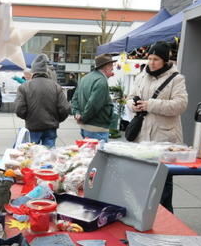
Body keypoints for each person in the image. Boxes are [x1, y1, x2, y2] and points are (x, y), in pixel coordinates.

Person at [126, 40, 188, 212]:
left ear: (165, 61)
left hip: (164, 138)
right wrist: (133, 104)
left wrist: (150, 105)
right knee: (141, 179)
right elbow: (130, 97)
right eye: (150, 58)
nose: (151, 63)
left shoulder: (177, 79)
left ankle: (166, 218)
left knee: (163, 183)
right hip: (142, 137)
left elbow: (180, 105)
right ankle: (143, 214)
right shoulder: (140, 76)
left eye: (156, 59)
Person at [14, 53, 70, 147]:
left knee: (31, 156)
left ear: (33, 71)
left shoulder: (24, 87)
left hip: (33, 127)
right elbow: (65, 108)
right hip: (50, 127)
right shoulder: (56, 86)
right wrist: (56, 120)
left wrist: (29, 118)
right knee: (49, 156)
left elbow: (19, 109)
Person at [72, 54, 116, 142]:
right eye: (111, 66)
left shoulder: (85, 78)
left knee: (88, 154)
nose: (112, 68)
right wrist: (83, 118)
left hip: (87, 128)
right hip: (97, 129)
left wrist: (77, 113)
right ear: (106, 67)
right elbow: (93, 105)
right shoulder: (101, 81)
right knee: (96, 155)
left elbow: (74, 99)